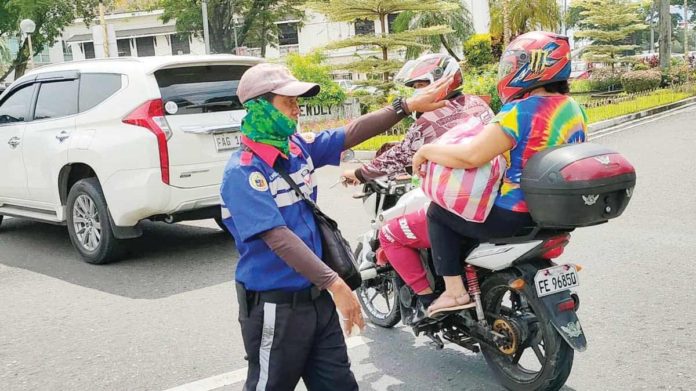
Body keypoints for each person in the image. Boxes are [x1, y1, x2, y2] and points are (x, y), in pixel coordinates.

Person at [220, 62, 452, 391]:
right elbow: (278, 239)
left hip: (318, 300)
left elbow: (349, 134)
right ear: (259, 107)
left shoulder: (298, 148)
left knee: (340, 384)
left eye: (298, 102)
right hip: (277, 307)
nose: (297, 110)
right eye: (289, 103)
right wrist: (336, 284)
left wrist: (405, 106)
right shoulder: (243, 172)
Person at [411, 31, 589, 317]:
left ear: (528, 67)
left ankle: (455, 292)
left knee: (437, 213)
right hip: (556, 214)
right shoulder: (573, 108)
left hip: (514, 215)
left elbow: (471, 155)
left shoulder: (518, 112)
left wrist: (426, 151)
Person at [341, 54, 494, 324]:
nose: (418, 92)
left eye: (423, 84)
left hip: (459, 200)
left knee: (390, 234)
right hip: (492, 195)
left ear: (443, 81)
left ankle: (427, 302)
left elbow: (399, 156)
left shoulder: (427, 122)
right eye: (414, 88)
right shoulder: (478, 104)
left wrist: (358, 173)